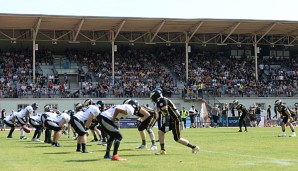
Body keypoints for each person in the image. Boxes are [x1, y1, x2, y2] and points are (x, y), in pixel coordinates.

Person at [150, 90, 200, 155]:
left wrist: (167, 125)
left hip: (176, 120)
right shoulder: (163, 100)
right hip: (172, 119)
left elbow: (167, 114)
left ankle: (194, 147)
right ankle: (162, 150)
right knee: (160, 132)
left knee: (177, 139)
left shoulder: (161, 101)